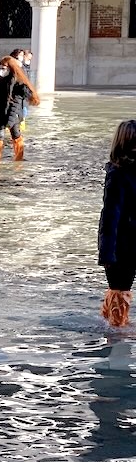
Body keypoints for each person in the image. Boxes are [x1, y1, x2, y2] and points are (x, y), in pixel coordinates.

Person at [98, 119, 136, 328]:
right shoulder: (117, 175)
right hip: (120, 245)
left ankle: (113, 326)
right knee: (120, 290)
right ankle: (115, 334)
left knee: (120, 290)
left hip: (127, 243)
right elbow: (110, 216)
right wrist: (107, 254)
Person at [0, 55, 39, 161]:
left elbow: (28, 94)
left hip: (13, 113)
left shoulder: (18, 82)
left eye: (4, 67)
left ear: (10, 68)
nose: (2, 69)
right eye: (1, 67)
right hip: (0, 112)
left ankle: (18, 159)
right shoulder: (1, 80)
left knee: (15, 135)